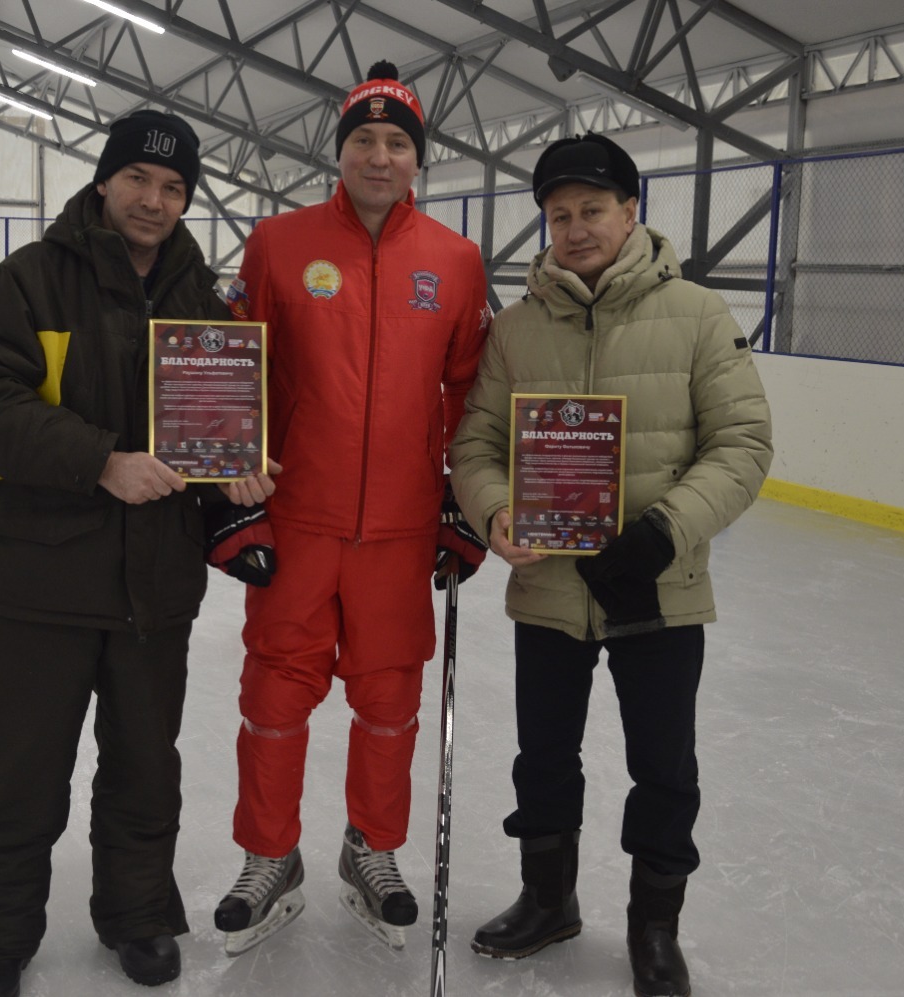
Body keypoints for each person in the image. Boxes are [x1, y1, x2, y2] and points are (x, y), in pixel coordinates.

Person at [0, 109, 274, 997]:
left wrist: (236, 472)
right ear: (104, 181)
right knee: (17, 774)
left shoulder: (203, 303)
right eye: (137, 179)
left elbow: (212, 433)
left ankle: (136, 916)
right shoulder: (26, 283)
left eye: (173, 187)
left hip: (153, 586)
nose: (153, 200)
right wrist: (101, 461)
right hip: (38, 581)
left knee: (144, 769)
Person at [449, 133, 773, 997]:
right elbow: (476, 443)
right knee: (544, 757)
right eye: (559, 215)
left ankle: (654, 926)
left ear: (631, 212)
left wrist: (664, 533)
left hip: (659, 588)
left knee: (664, 768)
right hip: (549, 587)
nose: (576, 228)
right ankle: (547, 899)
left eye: (592, 209)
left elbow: (743, 443)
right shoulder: (517, 327)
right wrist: (496, 510)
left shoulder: (698, 314)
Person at [211, 59, 490, 954]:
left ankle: (372, 847)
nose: (379, 156)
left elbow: (471, 392)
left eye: (396, 142)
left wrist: (462, 504)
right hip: (298, 516)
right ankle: (270, 856)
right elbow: (234, 370)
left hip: (401, 529)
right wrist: (234, 498)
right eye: (363, 139)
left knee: (390, 699)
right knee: (274, 693)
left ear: (418, 158)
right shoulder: (278, 242)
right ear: (339, 151)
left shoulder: (456, 260)